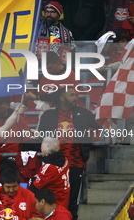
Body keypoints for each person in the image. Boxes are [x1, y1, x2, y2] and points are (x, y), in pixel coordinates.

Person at [37, 87, 101, 220]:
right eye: (71, 95)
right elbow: (40, 136)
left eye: (75, 95)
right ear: (61, 98)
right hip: (54, 165)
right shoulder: (48, 115)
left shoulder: (84, 113)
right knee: (51, 197)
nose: (74, 98)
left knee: (72, 199)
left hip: (75, 163)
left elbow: (99, 123)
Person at [29, 137, 70, 209]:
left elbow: (34, 187)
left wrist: (33, 178)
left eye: (41, 147)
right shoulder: (64, 159)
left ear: (46, 153)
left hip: (53, 204)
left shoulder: (49, 167)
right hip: (63, 199)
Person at [37, 1, 75, 65]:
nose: (48, 14)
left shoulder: (67, 32)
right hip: (39, 66)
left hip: (58, 67)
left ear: (58, 14)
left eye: (52, 12)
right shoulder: (37, 29)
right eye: (47, 12)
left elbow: (73, 51)